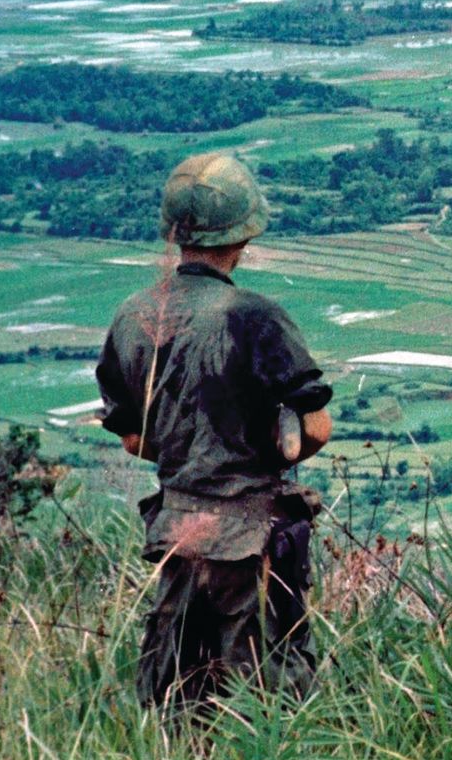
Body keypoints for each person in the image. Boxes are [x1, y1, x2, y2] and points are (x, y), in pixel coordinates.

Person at [96, 152, 334, 711]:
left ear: (175, 234)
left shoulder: (133, 315)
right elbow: (316, 427)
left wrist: (187, 451)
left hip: (177, 530)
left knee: (176, 696)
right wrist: (263, 449)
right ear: (244, 234)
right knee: (271, 697)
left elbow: (133, 439)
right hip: (251, 534)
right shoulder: (253, 315)